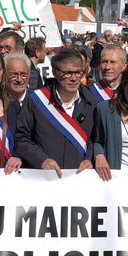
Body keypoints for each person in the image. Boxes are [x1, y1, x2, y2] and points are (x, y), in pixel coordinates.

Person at [15, 49, 95, 177]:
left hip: (79, 178)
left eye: (78, 72)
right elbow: (21, 138)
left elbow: (95, 140)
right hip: (43, 178)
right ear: (55, 73)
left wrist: (89, 159)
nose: (74, 78)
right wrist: (41, 160)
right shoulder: (36, 100)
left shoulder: (91, 102)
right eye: (67, 73)